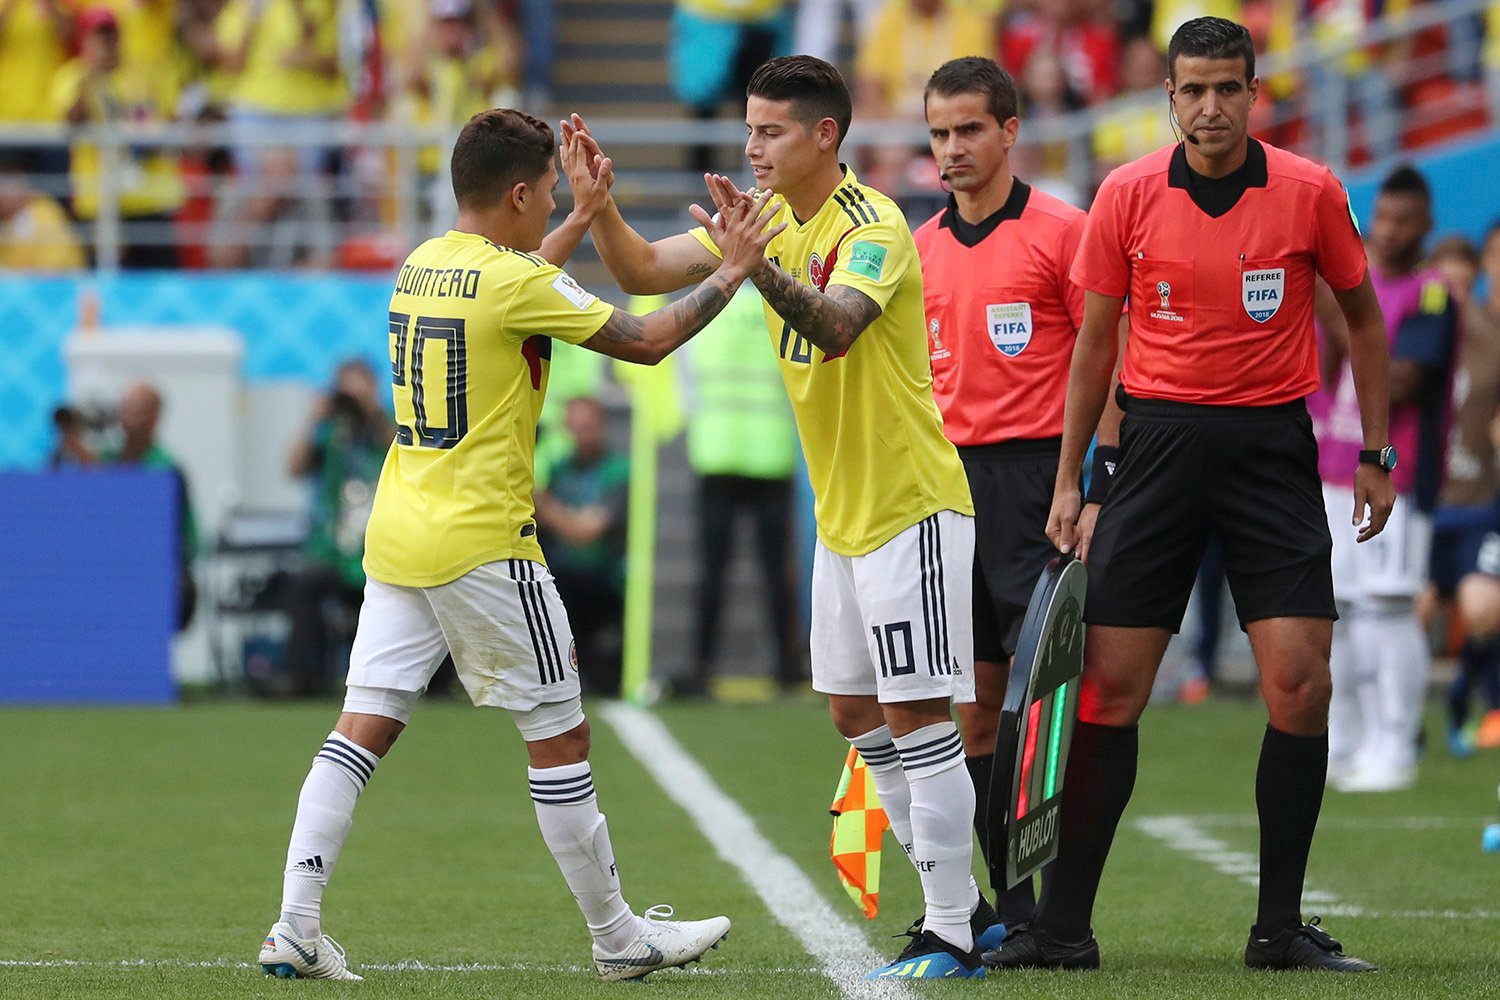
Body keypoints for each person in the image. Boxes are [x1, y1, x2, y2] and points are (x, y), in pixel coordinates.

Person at [255, 106, 782, 981]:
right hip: (486, 546)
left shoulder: (422, 263)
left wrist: (579, 218)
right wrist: (731, 271)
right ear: (519, 191)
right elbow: (646, 339)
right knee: (560, 737)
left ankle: (295, 924)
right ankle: (618, 939)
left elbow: (509, 293)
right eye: (548, 196)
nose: (551, 207)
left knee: (358, 733)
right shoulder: (512, 281)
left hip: (400, 536)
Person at [569, 54, 994, 978]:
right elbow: (642, 270)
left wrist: (750, 268)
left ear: (824, 136)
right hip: (843, 516)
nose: (752, 146)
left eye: (770, 131)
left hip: (909, 505)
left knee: (919, 715)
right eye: (749, 129)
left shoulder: (874, 223)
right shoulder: (756, 224)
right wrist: (600, 204)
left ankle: (955, 927)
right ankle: (962, 905)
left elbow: (837, 327)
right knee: (853, 711)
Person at [991, 17, 1392, 973]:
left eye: (1227, 88)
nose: (1209, 106)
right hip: (1155, 453)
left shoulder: (1310, 192)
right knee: (1111, 692)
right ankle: (1062, 930)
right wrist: (1071, 477)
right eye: (1192, 90)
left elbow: (1366, 325)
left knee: (1301, 686)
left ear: (1256, 94)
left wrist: (1374, 451)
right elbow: (1094, 346)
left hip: (1271, 452)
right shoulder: (1125, 194)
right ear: (1167, 98)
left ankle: (1277, 930)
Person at [913, 55, 1086, 941]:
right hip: (949, 489)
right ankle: (1012, 910)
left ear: (1010, 131)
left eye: (970, 129)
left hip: (1039, 485)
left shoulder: (1063, 231)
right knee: (976, 708)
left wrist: (1092, 484)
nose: (952, 148)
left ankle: (1065, 908)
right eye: (939, 133)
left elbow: (1113, 364)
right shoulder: (919, 248)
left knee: (1047, 705)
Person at [1315, 165, 1456, 793]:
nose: (1389, 230)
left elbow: (1405, 380)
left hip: (1396, 472)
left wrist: (1342, 320)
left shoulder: (1432, 295)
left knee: (1388, 610)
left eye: (1404, 220)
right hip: (1330, 472)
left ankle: (1395, 744)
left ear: (1426, 226)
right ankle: (1344, 743)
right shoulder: (1355, 290)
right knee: (1335, 614)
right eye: (1383, 218)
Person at [677, 283, 804, 699]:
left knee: (712, 570)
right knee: (776, 572)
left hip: (716, 451)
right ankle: (786, 668)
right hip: (771, 452)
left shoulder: (704, 303)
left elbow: (686, 385)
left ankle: (701, 666)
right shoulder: (778, 303)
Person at [279, 358, 392, 697]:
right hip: (332, 551)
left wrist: (373, 413)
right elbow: (293, 468)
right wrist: (313, 420)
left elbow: (401, 456)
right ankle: (303, 678)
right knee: (303, 583)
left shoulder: (388, 430)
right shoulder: (329, 434)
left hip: (379, 548)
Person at [50, 6, 185, 268]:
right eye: (99, 37)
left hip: (149, 200)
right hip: (99, 203)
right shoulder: (71, 78)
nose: (108, 44)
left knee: (158, 287)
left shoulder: (144, 75)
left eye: (112, 36)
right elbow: (73, 121)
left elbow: (167, 124)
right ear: (84, 40)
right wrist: (93, 74)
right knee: (104, 287)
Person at [1434, 222, 1500, 755]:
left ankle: (1467, 694)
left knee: (1482, 610)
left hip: (1478, 499)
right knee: (1410, 613)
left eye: (1463, 281)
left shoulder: (1491, 336)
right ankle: (1397, 729)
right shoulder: (1406, 336)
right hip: (1420, 499)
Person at [534, 396, 629, 698]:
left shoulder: (618, 471)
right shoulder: (560, 469)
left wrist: (548, 508)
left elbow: (589, 531)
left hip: (604, 579)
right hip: (559, 579)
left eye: (588, 426)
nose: (582, 433)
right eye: (576, 427)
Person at [102, 383, 199, 631]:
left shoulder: (166, 468)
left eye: (137, 410)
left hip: (153, 570)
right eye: (124, 409)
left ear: (155, 416)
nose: (127, 418)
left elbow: (188, 540)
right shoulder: (103, 461)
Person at [0, 152, 85, 270]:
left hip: (58, 286)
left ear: (24, 180)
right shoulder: (5, 218)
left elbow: (52, 271)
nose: (3, 191)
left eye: (8, 181)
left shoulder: (44, 212)